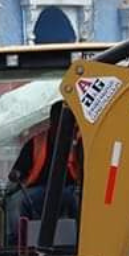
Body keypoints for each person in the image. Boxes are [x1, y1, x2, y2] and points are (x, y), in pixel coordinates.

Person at [6, 101, 82, 245]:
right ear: (51, 120)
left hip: (70, 189)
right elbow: (19, 169)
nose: (61, 124)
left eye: (65, 119)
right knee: (16, 201)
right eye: (57, 118)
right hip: (38, 191)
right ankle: (16, 241)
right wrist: (16, 174)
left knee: (80, 201)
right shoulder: (36, 142)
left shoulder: (79, 141)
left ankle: (83, 239)